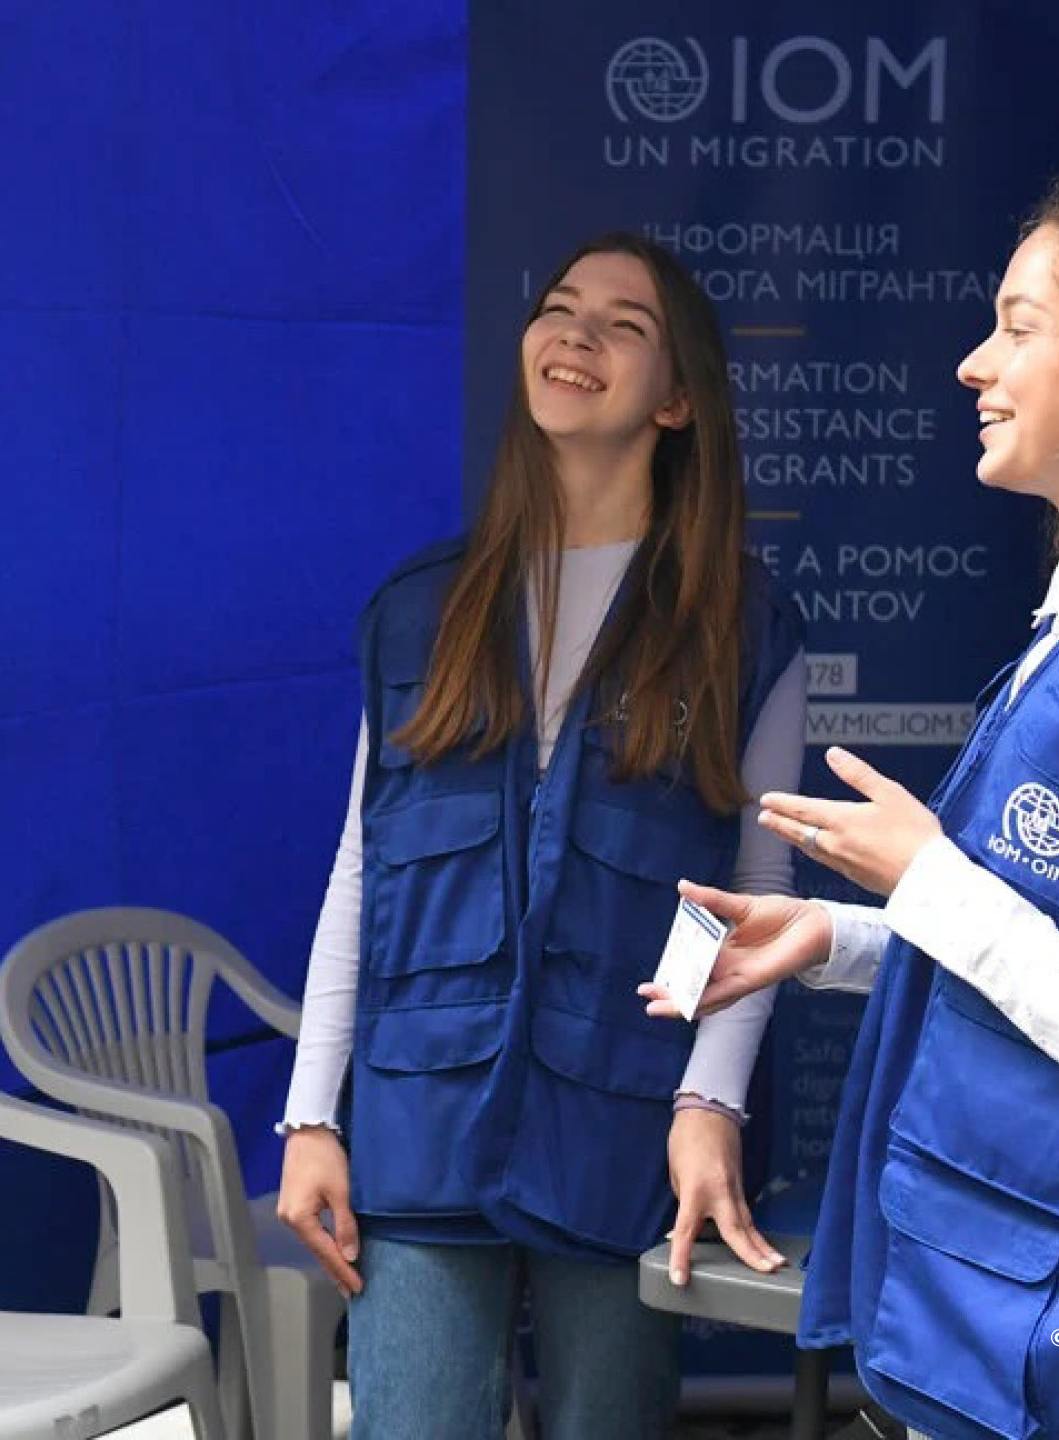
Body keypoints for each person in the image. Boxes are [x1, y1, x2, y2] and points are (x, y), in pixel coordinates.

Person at [644, 173, 1059, 1440]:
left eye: (1021, 326)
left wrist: (925, 882)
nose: (975, 363)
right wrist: (841, 940)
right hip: (991, 1330)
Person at [275, 232, 808, 1439]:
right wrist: (315, 1116)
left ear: (678, 398)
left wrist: (705, 1104)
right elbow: (362, 868)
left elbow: (746, 889)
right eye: (559, 307)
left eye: (624, 323)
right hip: (420, 1122)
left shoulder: (745, 626)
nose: (575, 334)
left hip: (624, 1132)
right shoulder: (421, 610)